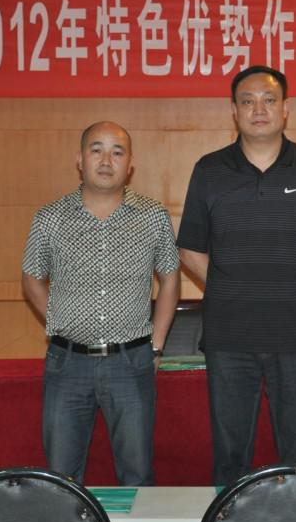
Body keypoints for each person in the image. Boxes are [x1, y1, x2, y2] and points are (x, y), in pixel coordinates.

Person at [177, 65, 296, 485]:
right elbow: (189, 248)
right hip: (229, 336)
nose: (259, 109)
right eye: (248, 101)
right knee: (230, 457)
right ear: (234, 111)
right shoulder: (209, 169)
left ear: (285, 109)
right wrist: (228, 289)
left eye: (269, 100)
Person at [21, 121, 180, 485]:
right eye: (97, 150)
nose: (106, 160)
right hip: (67, 363)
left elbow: (171, 278)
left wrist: (156, 346)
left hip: (131, 361)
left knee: (137, 475)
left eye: (117, 152)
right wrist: (60, 323)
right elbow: (31, 277)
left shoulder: (153, 216)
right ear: (80, 159)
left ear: (130, 164)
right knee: (62, 476)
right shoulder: (50, 217)